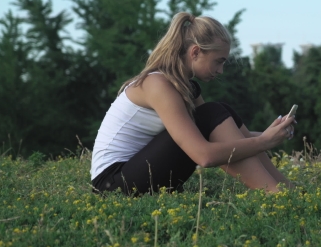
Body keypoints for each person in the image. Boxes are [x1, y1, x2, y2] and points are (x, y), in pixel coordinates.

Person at [90, 12, 296, 196]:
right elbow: (203, 156)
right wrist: (264, 142)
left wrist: (272, 134)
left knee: (223, 112)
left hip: (138, 172)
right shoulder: (157, 84)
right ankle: (275, 194)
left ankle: (285, 188)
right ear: (195, 52)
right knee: (213, 112)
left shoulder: (186, 87)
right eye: (219, 61)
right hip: (112, 183)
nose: (221, 70)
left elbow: (220, 134)